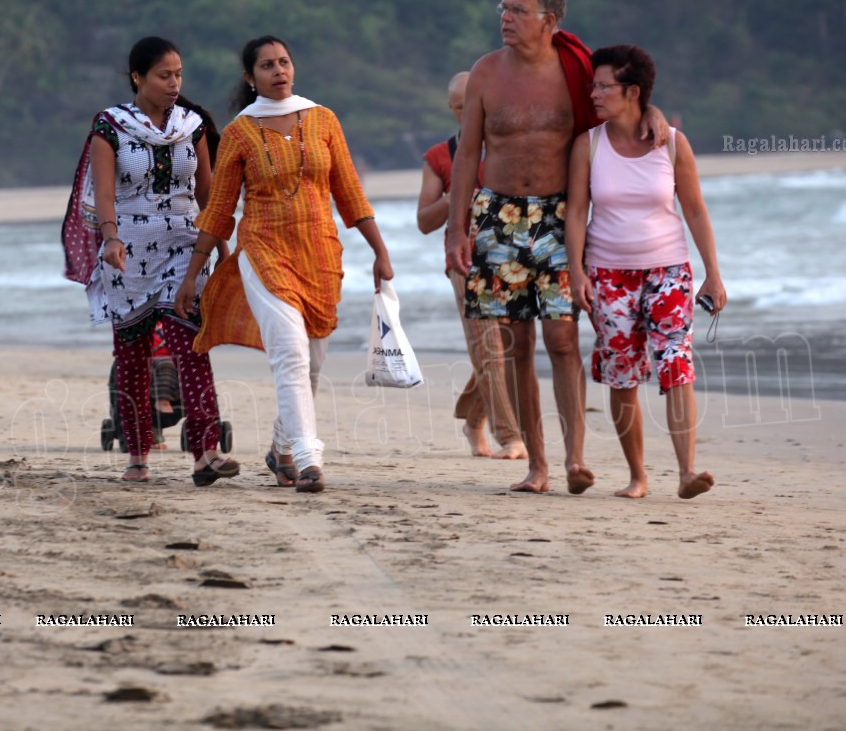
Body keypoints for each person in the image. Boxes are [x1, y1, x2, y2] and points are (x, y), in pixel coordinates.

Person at [445, 0, 667, 494]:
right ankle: (537, 466)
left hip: (558, 215)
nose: (505, 18)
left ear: (549, 20)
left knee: (563, 340)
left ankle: (575, 460)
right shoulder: (485, 73)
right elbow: (466, 156)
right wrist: (458, 228)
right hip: (497, 216)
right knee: (517, 345)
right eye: (503, 8)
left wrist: (652, 110)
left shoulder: (577, 69)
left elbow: (622, 105)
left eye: (518, 11)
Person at [176, 35, 393, 494]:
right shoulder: (240, 132)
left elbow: (349, 193)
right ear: (250, 78)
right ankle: (310, 460)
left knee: (312, 363)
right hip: (263, 251)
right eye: (268, 66)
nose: (279, 71)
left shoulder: (323, 119)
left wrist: (380, 250)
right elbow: (218, 210)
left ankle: (281, 449)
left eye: (285, 62)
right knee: (290, 355)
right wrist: (195, 272)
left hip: (320, 254)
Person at [62, 36, 237, 486]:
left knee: (191, 348)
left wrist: (219, 245)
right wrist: (110, 238)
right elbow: (103, 193)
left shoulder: (191, 125)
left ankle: (206, 453)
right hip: (128, 255)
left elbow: (205, 191)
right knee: (133, 355)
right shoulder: (111, 126)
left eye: (178, 74)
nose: (174, 83)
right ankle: (137, 456)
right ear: (138, 77)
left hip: (184, 246)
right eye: (164, 75)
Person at [567, 45, 723, 499]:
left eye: (602, 86)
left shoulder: (671, 142)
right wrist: (577, 273)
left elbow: (694, 210)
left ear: (632, 92)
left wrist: (713, 272)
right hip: (608, 275)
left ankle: (687, 472)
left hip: (668, 270)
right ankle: (638, 476)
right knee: (622, 373)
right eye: (592, 85)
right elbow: (577, 213)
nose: (593, 93)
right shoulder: (588, 145)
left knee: (676, 362)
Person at [416, 71, 525, 460]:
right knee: (489, 346)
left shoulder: (508, 148)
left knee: (508, 346)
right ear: (452, 109)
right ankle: (510, 435)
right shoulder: (439, 156)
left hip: (513, 260)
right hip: (464, 261)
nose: (469, 112)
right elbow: (424, 221)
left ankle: (472, 417)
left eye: (476, 103)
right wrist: (456, 193)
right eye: (461, 106)